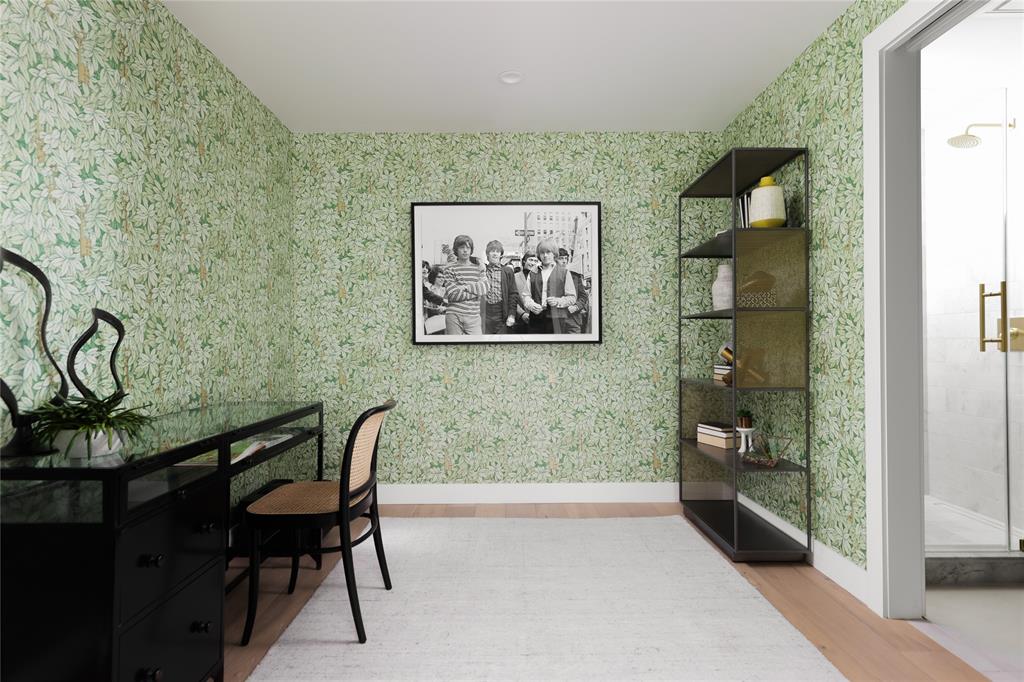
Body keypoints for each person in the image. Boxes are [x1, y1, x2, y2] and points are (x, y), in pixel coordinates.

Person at [522, 239, 576, 334]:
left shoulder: (564, 272)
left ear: (554, 254)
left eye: (548, 252)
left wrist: (558, 301)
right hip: (536, 319)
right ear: (539, 255)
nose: (545, 255)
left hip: (557, 320)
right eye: (542, 253)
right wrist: (531, 305)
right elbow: (526, 295)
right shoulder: (533, 272)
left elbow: (572, 297)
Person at [438, 235, 488, 335]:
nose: (465, 250)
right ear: (456, 249)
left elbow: (485, 288)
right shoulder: (449, 269)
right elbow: (453, 295)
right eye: (462, 247)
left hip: (474, 316)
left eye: (468, 247)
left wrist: (464, 288)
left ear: (471, 250)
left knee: (477, 344)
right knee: (455, 344)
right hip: (454, 315)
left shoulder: (478, 268)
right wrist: (476, 292)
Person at [481, 240, 519, 335]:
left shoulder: (507, 271)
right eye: (492, 251)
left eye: (497, 251)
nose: (495, 254)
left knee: (501, 340)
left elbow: (513, 294)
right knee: (485, 341)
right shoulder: (482, 271)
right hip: (485, 313)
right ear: (487, 254)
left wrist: (511, 315)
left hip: (501, 313)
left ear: (501, 255)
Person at [512, 251, 538, 332]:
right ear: (524, 261)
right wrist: (522, 314)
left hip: (537, 322)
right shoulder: (515, 277)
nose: (533, 263)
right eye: (530, 260)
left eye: (535, 261)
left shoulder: (540, 278)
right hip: (519, 322)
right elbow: (511, 300)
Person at [563, 264, 589, 334]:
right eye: (560, 259)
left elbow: (583, 296)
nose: (564, 261)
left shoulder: (575, 277)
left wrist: (576, 306)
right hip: (554, 320)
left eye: (566, 259)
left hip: (573, 319)